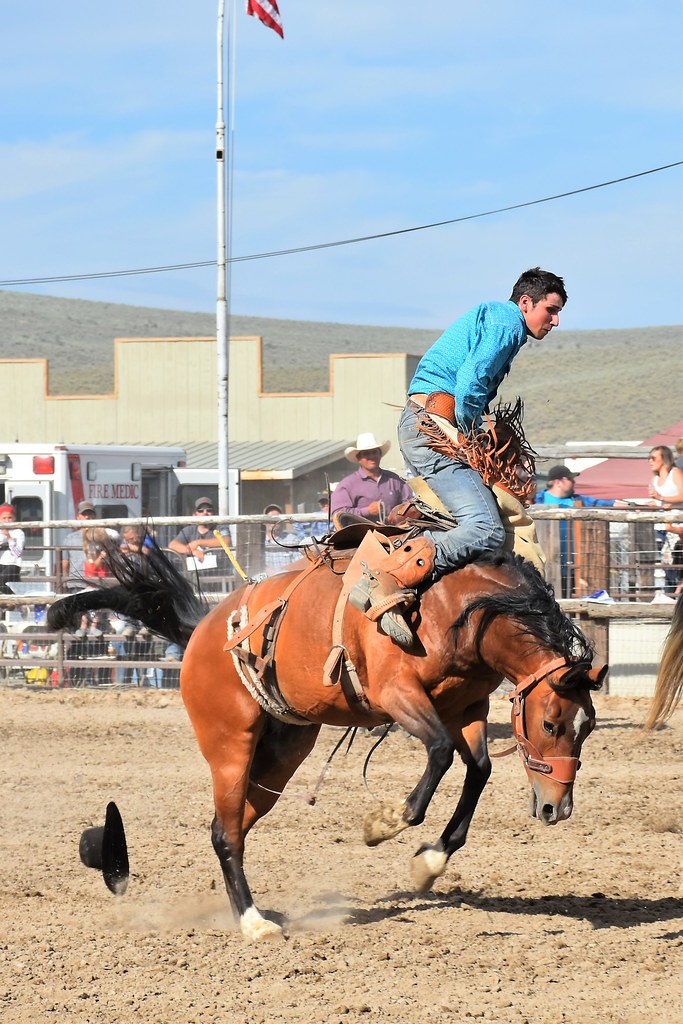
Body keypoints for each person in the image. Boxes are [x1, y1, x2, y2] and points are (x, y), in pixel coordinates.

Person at [536, 465, 628, 598]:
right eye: (570, 479)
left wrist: (632, 506)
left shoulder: (578, 500)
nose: (574, 482)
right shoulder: (538, 499)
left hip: (574, 558)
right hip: (548, 558)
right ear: (558, 482)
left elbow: (605, 503)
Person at [330, 432, 412, 523]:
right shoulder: (348, 484)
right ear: (359, 458)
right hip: (361, 534)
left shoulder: (395, 480)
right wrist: (367, 511)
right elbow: (337, 514)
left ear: (380, 455)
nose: (372, 456)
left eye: (374, 452)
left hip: (396, 532)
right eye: (366, 454)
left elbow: (409, 503)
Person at [168, 496, 232, 565]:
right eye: (200, 510)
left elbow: (226, 541)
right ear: (195, 514)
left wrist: (197, 543)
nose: (205, 513)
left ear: (214, 513)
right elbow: (172, 545)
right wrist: (192, 551)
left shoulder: (221, 528)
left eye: (209, 510)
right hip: (195, 574)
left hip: (220, 573)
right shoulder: (189, 530)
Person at [0, 503, 25, 594]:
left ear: (14, 518)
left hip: (13, 564)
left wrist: (9, 538)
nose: (7, 520)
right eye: (4, 518)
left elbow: (18, 553)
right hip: (1, 562)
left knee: (1, 582)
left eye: (9, 517)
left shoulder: (18, 532)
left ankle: (14, 600)